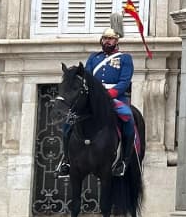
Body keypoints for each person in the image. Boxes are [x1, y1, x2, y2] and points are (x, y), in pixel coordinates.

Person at [56, 26, 136, 178]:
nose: (107, 41)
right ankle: (66, 160)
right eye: (105, 38)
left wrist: (110, 94)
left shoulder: (125, 58)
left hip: (115, 97)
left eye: (110, 39)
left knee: (128, 118)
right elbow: (88, 78)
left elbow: (125, 81)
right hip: (94, 99)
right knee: (69, 121)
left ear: (116, 41)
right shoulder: (94, 57)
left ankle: (124, 160)